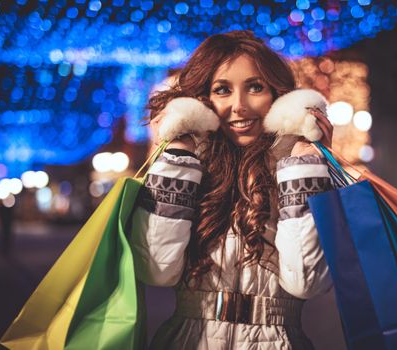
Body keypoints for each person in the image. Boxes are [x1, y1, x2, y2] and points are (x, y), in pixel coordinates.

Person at [129, 30, 334, 349]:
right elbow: (156, 270)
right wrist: (179, 155)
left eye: (255, 87)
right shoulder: (184, 171)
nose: (238, 106)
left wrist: (304, 164)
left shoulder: (296, 172)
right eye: (222, 90)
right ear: (201, 101)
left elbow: (307, 280)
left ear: (277, 97)